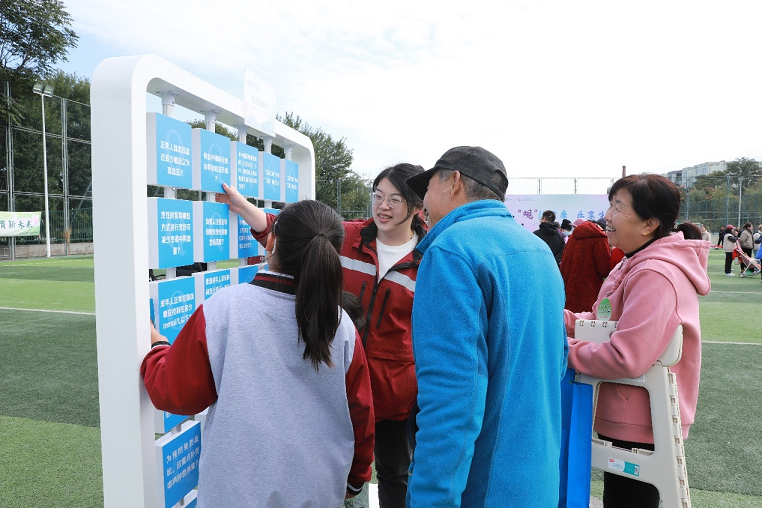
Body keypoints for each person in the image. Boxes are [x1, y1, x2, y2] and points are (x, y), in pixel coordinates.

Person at [141, 200, 375, 507]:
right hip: (316, 491)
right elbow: (360, 414)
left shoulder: (224, 309)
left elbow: (175, 393)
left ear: (271, 241)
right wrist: (355, 478)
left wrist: (158, 346)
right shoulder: (341, 325)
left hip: (235, 493)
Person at [219, 163, 426, 508]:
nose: (382, 206)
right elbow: (291, 233)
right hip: (333, 379)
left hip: (393, 394)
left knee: (395, 475)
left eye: (395, 200)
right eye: (378, 196)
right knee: (331, 464)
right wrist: (243, 207)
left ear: (417, 207)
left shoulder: (429, 258)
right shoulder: (349, 237)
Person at [404, 146, 568, 507]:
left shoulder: (452, 250)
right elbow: (557, 363)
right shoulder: (539, 251)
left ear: (454, 182)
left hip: (482, 487)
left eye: (427, 188)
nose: (423, 203)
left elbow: (452, 397)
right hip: (537, 481)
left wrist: (431, 499)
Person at [564, 174, 710, 507]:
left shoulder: (654, 273)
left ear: (649, 224)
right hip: (628, 414)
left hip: (641, 419)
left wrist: (559, 348)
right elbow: (603, 321)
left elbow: (626, 357)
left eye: (618, 207)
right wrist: (561, 321)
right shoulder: (633, 262)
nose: (607, 216)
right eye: (610, 205)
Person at [559, 219, 611, 313]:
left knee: (568, 318)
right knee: (585, 320)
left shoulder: (572, 237)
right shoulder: (599, 238)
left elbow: (563, 261)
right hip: (589, 293)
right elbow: (604, 269)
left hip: (567, 290)